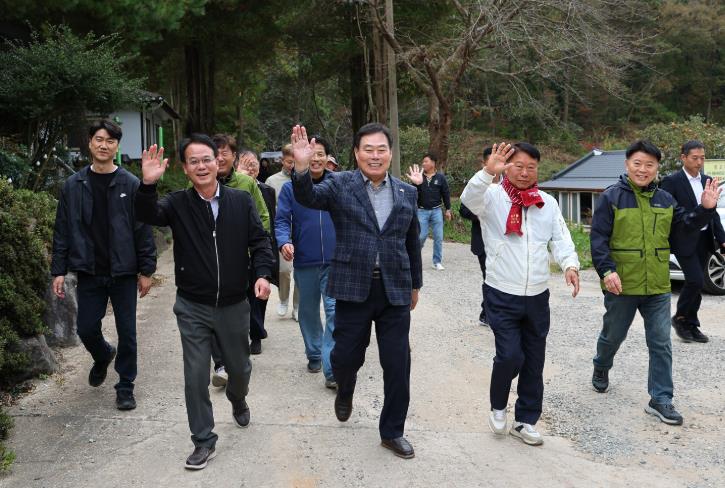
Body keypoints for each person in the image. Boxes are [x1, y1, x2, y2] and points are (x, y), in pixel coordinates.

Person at [135, 135, 274, 470]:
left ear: (219, 162)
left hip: (234, 303)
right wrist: (147, 185)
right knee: (196, 375)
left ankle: (237, 397)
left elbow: (259, 241)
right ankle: (203, 440)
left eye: (206, 159)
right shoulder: (177, 203)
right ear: (185, 168)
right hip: (192, 305)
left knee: (240, 369)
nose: (201, 166)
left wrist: (262, 274)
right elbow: (147, 213)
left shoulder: (241, 201)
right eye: (193, 161)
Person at [290, 123, 422, 459]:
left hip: (394, 289)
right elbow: (308, 197)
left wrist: (415, 284)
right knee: (346, 357)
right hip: (352, 286)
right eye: (368, 149)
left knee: (398, 363)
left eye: (381, 149)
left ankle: (392, 431)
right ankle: (345, 388)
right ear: (356, 153)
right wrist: (303, 168)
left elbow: (411, 242)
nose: (375, 156)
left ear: (390, 153)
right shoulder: (340, 184)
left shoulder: (407, 192)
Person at [590, 140, 721, 426]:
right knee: (613, 336)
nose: (643, 169)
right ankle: (601, 365)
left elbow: (685, 226)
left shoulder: (665, 199)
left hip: (658, 286)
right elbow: (598, 238)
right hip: (622, 285)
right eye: (637, 163)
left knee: (661, 342)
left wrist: (705, 209)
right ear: (627, 164)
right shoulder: (611, 197)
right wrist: (607, 271)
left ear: (657, 168)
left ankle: (660, 398)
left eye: (649, 164)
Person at [460, 142, 580, 447]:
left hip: (538, 295)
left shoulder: (546, 203)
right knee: (510, 355)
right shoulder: (491, 196)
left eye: (531, 167)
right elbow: (468, 199)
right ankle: (498, 406)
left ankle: (525, 420)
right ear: (506, 167)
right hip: (501, 292)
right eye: (518, 166)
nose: (525, 173)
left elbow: (560, 238)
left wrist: (570, 264)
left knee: (534, 361)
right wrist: (487, 173)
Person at [51, 119, 157, 411]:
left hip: (123, 271)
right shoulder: (73, 185)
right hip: (89, 270)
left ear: (116, 147)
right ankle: (102, 355)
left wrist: (146, 270)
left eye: (110, 141)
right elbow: (62, 230)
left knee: (128, 332)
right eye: (99, 139)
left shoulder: (130, 184)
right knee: (86, 328)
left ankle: (125, 386)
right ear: (89, 143)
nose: (104, 145)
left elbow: (142, 228)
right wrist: (58, 270)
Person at [208, 135, 270, 386]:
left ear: (234, 156)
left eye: (225, 152)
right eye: (215, 153)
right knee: (211, 312)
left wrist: (256, 249)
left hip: (241, 261)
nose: (219, 157)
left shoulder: (246, 184)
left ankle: (238, 355)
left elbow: (263, 217)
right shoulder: (200, 182)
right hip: (209, 262)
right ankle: (220, 364)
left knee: (238, 314)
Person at [276, 136, 337, 389]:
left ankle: (332, 368)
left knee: (335, 311)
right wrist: (284, 241)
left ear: (328, 158)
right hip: (305, 260)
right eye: (312, 154)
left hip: (336, 261)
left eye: (321, 153)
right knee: (309, 311)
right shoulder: (290, 189)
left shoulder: (338, 184)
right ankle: (314, 353)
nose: (316, 159)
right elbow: (281, 220)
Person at [659, 140, 725, 343]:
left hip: (704, 239)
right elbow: (671, 214)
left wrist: (722, 239)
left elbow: (713, 213)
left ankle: (691, 323)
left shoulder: (707, 180)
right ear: (683, 158)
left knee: (696, 284)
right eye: (695, 158)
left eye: (702, 158)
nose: (699, 162)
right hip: (683, 240)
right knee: (696, 280)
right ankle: (680, 318)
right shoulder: (671, 181)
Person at [238, 150, 280, 354]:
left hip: (260, 249)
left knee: (259, 293)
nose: (251, 166)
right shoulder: (230, 188)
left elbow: (270, 218)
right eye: (246, 163)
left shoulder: (267, 190)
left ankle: (256, 334)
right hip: (237, 251)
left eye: (254, 163)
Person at [459, 146, 493, 327]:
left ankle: (492, 313)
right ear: (484, 162)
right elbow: (463, 210)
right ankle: (487, 314)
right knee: (490, 277)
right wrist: (480, 215)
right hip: (483, 241)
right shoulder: (477, 183)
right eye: (493, 160)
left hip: (505, 242)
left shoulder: (510, 182)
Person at [265, 144, 300, 319]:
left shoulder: (306, 179)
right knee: (284, 270)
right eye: (289, 162)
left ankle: (297, 306)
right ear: (282, 160)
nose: (292, 165)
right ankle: (283, 299)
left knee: (301, 271)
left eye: (295, 162)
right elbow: (267, 208)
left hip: (301, 231)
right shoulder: (272, 181)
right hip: (282, 231)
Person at [407, 153, 451, 270]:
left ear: (433, 163)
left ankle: (437, 262)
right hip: (421, 211)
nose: (423, 164)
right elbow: (412, 193)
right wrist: (416, 183)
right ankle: (414, 259)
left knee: (438, 237)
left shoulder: (440, 178)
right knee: (421, 237)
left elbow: (446, 193)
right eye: (423, 162)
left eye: (426, 161)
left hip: (437, 211)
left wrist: (448, 209)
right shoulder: (419, 176)